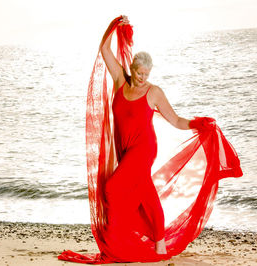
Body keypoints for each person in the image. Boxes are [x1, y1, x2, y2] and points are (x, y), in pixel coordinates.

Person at [58, 15, 242, 264]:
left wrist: (197, 124)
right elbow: (104, 49)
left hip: (143, 149)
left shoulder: (154, 92)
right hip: (125, 149)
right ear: (132, 68)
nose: (143, 77)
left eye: (147, 73)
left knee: (112, 188)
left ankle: (115, 246)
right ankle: (159, 246)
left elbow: (175, 120)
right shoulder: (120, 81)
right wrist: (113, 27)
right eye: (139, 72)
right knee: (146, 195)